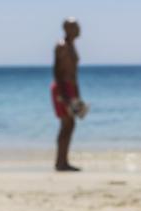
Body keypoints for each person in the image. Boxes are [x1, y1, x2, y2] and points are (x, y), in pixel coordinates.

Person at [51, 17, 83, 171]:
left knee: (71, 124)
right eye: (75, 26)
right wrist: (63, 94)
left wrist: (77, 96)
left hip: (71, 88)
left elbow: (74, 74)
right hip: (62, 88)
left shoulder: (71, 46)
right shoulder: (61, 46)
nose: (78, 29)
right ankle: (60, 162)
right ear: (67, 28)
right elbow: (57, 71)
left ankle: (63, 161)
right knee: (66, 124)